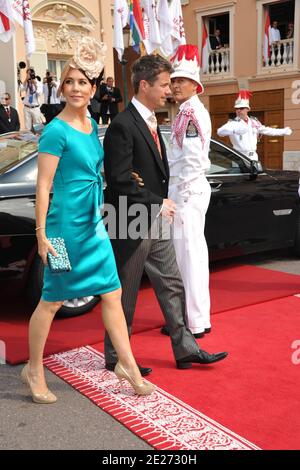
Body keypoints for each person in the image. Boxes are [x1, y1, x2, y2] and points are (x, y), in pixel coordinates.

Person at [21, 37, 154, 404]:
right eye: (69, 82)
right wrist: (42, 234)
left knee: (112, 292)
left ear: (93, 87)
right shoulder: (56, 130)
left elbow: (95, 171)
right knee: (52, 300)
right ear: (62, 87)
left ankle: (126, 364)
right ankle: (33, 368)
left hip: (93, 226)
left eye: (82, 82)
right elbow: (44, 185)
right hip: (63, 231)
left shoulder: (91, 123)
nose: (76, 88)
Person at [103, 54, 228, 373]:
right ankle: (117, 356)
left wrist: (162, 200)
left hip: (156, 214)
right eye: (162, 85)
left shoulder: (152, 119)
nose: (167, 91)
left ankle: (185, 348)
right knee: (126, 291)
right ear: (143, 85)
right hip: (128, 217)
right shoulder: (122, 124)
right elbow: (118, 178)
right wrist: (157, 200)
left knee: (171, 282)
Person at [159, 45, 212, 339]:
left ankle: (193, 322)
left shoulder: (191, 113)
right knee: (184, 257)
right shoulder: (185, 112)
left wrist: (181, 194)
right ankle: (192, 317)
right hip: (184, 189)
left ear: (195, 85)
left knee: (188, 257)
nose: (175, 84)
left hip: (187, 190)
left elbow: (191, 160)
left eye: (181, 80)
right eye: (173, 79)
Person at [217, 90, 292, 161]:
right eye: (237, 108)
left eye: (241, 108)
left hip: (253, 156)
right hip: (239, 156)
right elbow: (220, 132)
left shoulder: (254, 122)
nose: (238, 110)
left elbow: (268, 131)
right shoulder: (232, 123)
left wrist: (282, 131)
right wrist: (234, 130)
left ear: (248, 109)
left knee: (255, 174)